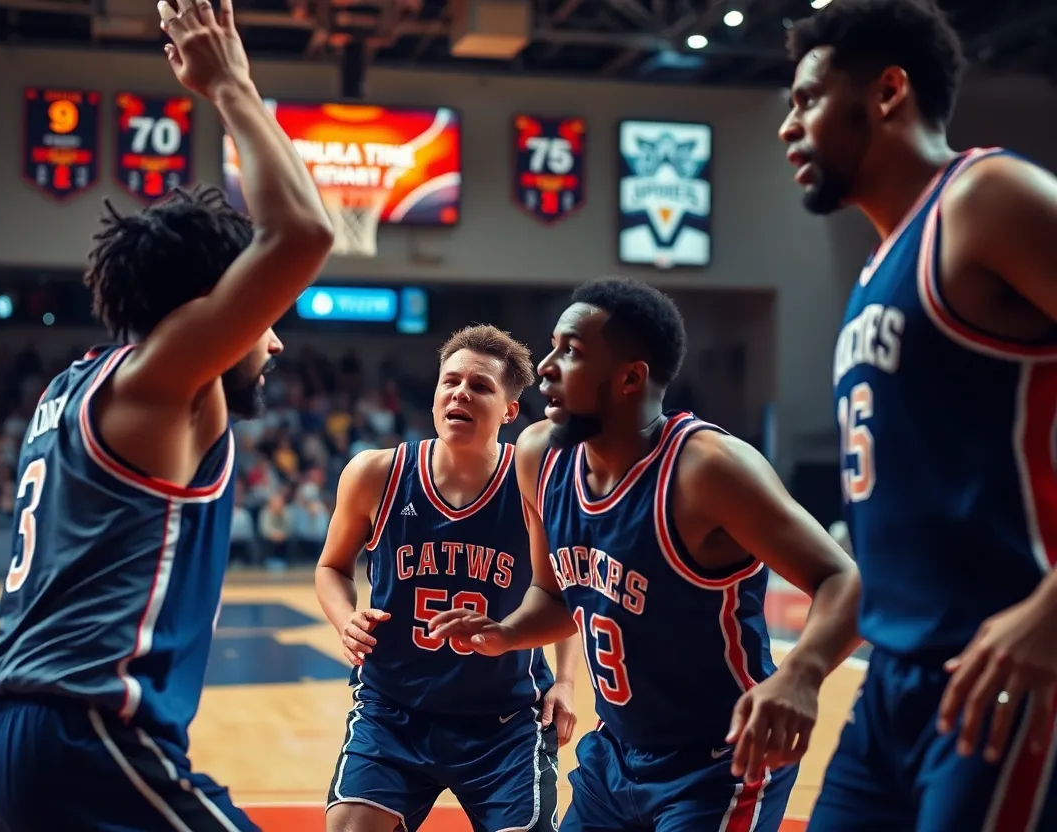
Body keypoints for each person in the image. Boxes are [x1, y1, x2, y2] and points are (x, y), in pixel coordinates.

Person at [0, 0, 335, 829]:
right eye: (264, 316)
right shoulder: (164, 382)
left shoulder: (74, 388)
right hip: (80, 733)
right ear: (212, 311)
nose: (277, 342)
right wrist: (231, 84)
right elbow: (302, 230)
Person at [428, 277, 862, 831]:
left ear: (631, 377)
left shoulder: (707, 469)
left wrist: (801, 672)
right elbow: (553, 594)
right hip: (614, 757)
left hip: (719, 762)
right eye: (554, 346)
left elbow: (844, 579)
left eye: (572, 352)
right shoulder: (538, 455)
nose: (546, 366)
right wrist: (508, 633)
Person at [779, 1, 1057, 828]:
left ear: (889, 90)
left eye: (807, 100)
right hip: (892, 688)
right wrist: (808, 664)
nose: (789, 127)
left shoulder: (988, 196)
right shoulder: (876, 270)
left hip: (1002, 675)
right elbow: (903, 528)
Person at [315, 325, 578, 832]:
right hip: (394, 709)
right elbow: (331, 567)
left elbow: (561, 592)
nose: (460, 392)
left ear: (509, 409)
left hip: (503, 718)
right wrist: (345, 618)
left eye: (480, 386)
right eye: (449, 381)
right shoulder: (376, 474)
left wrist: (564, 682)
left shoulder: (533, 486)